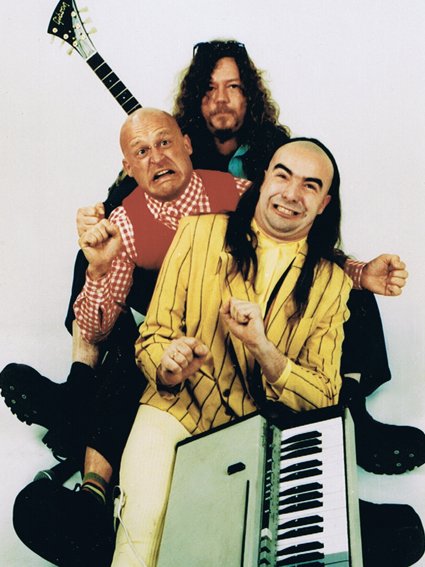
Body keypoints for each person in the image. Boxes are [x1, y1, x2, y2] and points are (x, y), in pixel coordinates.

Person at [111, 139, 423, 567]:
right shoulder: (197, 232)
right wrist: (168, 366)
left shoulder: (331, 283)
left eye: (310, 185)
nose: (291, 193)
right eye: (282, 175)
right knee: (139, 536)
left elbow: (324, 396)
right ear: (262, 181)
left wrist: (265, 350)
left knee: (224, 551)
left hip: (256, 432)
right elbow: (152, 336)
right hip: (175, 410)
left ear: (324, 203)